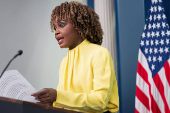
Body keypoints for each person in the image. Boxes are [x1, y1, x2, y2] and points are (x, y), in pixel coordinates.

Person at [31, 1, 119, 113]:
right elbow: (66, 101)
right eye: (55, 28)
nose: (56, 32)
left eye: (61, 25)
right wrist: (51, 102)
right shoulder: (65, 62)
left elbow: (100, 101)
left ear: (79, 25)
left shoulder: (99, 53)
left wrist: (58, 96)